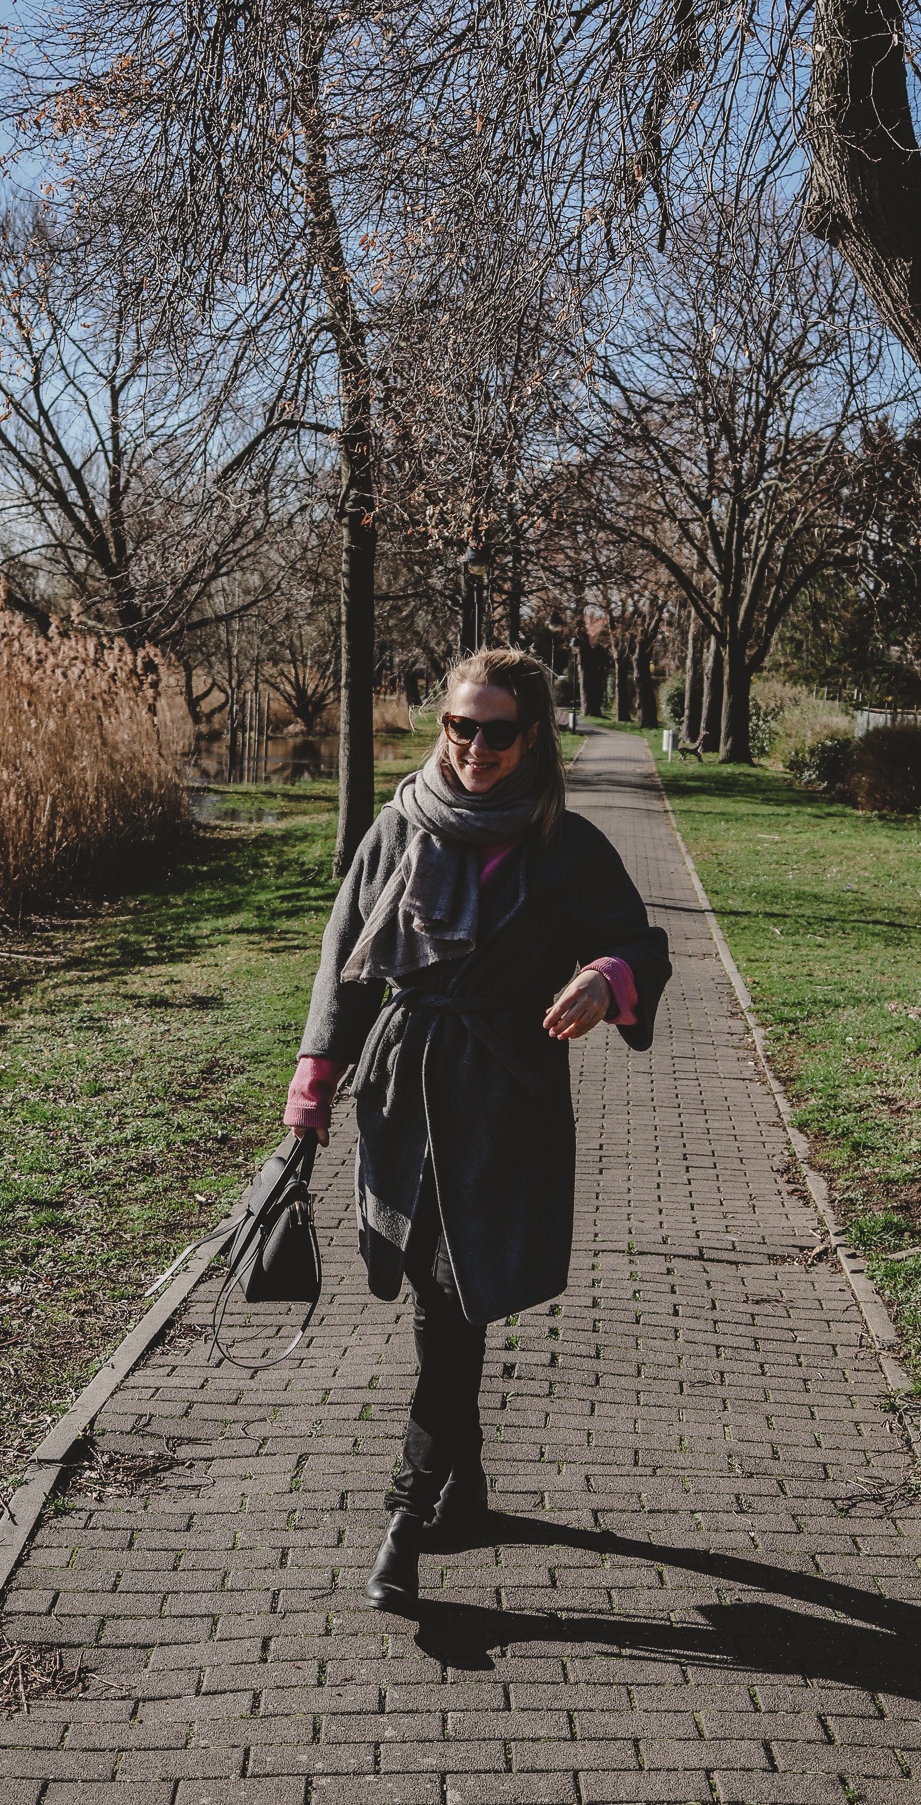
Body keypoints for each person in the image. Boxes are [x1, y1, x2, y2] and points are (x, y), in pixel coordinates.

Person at [283, 648, 671, 1612]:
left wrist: (606, 978)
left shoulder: (566, 846)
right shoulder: (398, 826)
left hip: (504, 1095)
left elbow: (638, 940)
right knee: (433, 1295)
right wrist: (314, 1082)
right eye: (460, 726)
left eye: (497, 731)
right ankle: (467, 1486)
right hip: (401, 1091)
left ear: (531, 737)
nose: (475, 747)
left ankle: (407, 1512)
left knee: (459, 1302)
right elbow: (344, 961)